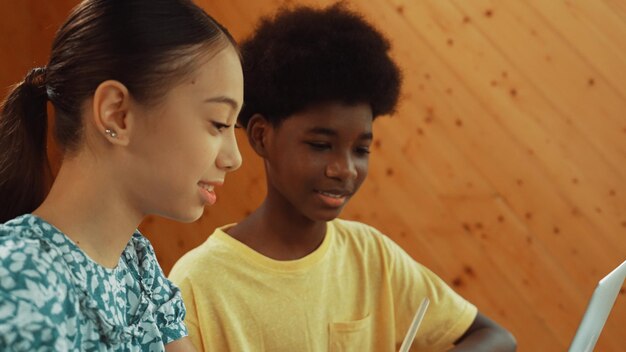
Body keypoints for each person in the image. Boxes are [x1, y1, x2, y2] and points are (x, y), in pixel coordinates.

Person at [170, 4, 517, 352]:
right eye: (321, 145)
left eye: (361, 150)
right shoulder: (198, 284)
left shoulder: (371, 255)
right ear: (261, 136)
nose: (346, 168)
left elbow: (497, 338)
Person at [0, 0, 243, 350]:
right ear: (117, 114)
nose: (234, 158)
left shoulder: (137, 263)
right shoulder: (17, 278)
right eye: (219, 122)